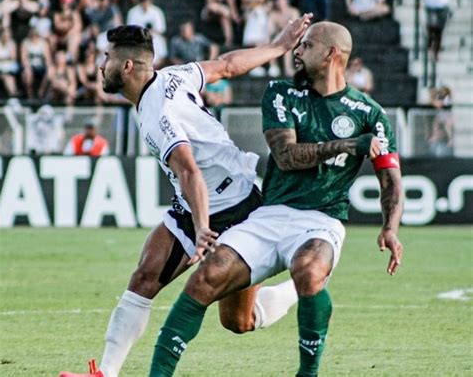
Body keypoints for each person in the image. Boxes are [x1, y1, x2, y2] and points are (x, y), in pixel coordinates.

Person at [59, 15, 313, 377]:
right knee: (145, 276)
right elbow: (226, 66)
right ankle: (105, 373)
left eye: (107, 58)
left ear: (127, 66)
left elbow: (188, 169)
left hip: (238, 210)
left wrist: (202, 227)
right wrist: (278, 46)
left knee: (239, 321)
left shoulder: (159, 115)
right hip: (196, 206)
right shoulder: (173, 75)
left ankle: (292, 290)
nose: (101, 65)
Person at [147, 21, 404, 377]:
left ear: (332, 54)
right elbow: (286, 156)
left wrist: (390, 228)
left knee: (309, 270)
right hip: (267, 216)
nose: (297, 52)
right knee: (206, 279)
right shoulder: (281, 93)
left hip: (320, 220)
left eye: (307, 46)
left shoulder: (369, 113)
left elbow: (390, 177)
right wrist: (348, 145)